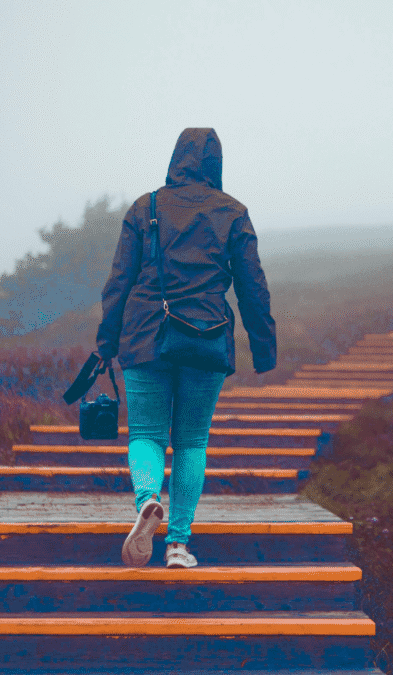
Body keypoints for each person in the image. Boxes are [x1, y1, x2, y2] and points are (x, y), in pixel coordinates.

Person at [96, 127, 276, 568]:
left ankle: (146, 499)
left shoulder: (146, 207)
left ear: (175, 159)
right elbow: (253, 286)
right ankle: (178, 544)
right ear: (216, 163)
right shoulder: (232, 212)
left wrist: (106, 340)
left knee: (145, 435)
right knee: (192, 440)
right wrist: (263, 346)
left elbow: (120, 280)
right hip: (207, 335)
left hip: (143, 334)